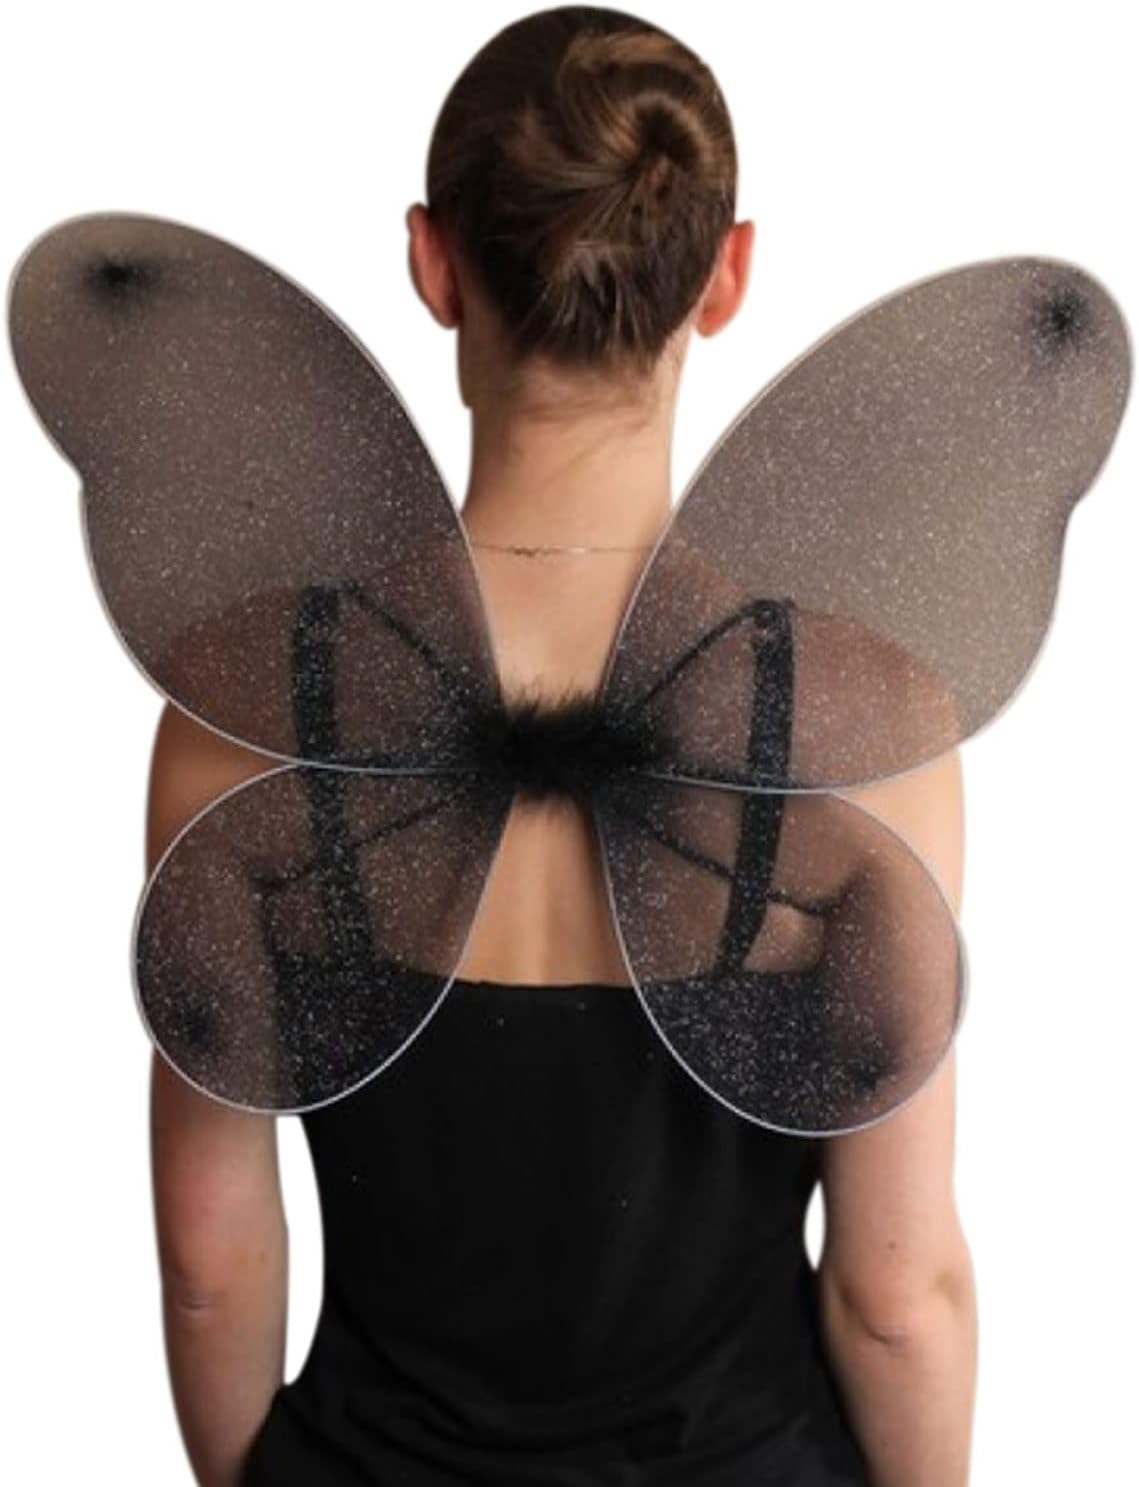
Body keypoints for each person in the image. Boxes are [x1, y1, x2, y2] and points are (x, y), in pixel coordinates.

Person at [146, 7, 978, 1484]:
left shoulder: (250, 713)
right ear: (725, 278)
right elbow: (896, 1296)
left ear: (433, 262)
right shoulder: (863, 730)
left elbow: (210, 1260)